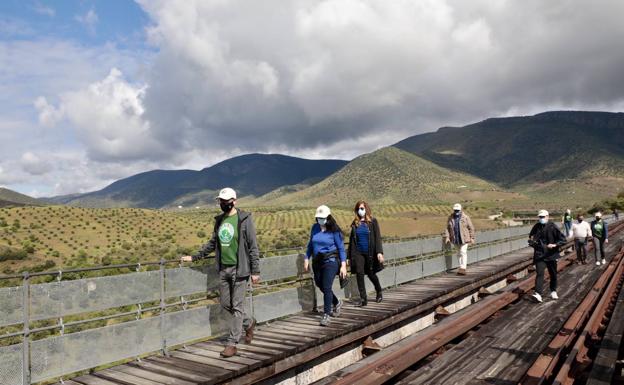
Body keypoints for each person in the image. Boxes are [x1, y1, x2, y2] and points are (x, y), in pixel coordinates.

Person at [181, 187, 260, 358]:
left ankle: (232, 343)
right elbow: (213, 242)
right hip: (224, 269)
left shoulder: (244, 219)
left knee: (237, 306)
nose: (223, 204)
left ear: (234, 201)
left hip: (240, 270)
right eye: (221, 201)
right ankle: (249, 322)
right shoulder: (220, 221)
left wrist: (255, 271)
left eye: (226, 201)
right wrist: (195, 257)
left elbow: (253, 247)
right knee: (226, 304)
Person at [304, 205, 348, 326]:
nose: (320, 219)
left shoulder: (334, 231)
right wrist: (306, 258)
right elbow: (310, 245)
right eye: (318, 217)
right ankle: (336, 302)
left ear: (328, 217)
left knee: (327, 286)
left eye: (322, 217)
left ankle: (326, 314)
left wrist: (343, 265)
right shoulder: (315, 228)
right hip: (317, 261)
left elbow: (341, 249)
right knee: (320, 284)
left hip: (331, 261)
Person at [347, 201, 384, 307]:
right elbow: (351, 241)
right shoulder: (355, 223)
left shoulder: (373, 222)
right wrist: (349, 257)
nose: (360, 210)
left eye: (362, 208)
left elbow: (377, 237)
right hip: (358, 253)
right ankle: (363, 299)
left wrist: (379, 252)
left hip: (370, 253)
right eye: (358, 208)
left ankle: (379, 291)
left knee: (371, 273)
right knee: (359, 273)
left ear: (366, 209)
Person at [528, 210, 567, 303]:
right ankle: (538, 294)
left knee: (553, 274)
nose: (541, 219)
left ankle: (553, 290)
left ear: (547, 216)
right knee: (539, 273)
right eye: (540, 217)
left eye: (543, 217)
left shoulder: (553, 226)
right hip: (540, 255)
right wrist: (532, 242)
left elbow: (563, 239)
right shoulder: (536, 226)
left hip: (551, 255)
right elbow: (530, 237)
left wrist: (555, 245)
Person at [444, 203, 475, 275]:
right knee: (458, 253)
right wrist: (447, 237)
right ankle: (460, 267)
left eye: (457, 210)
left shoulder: (466, 217)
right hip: (455, 239)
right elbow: (447, 228)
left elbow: (471, 228)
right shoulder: (450, 218)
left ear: (461, 210)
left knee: (463, 252)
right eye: (455, 210)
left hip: (464, 239)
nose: (456, 211)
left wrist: (472, 238)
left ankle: (463, 268)